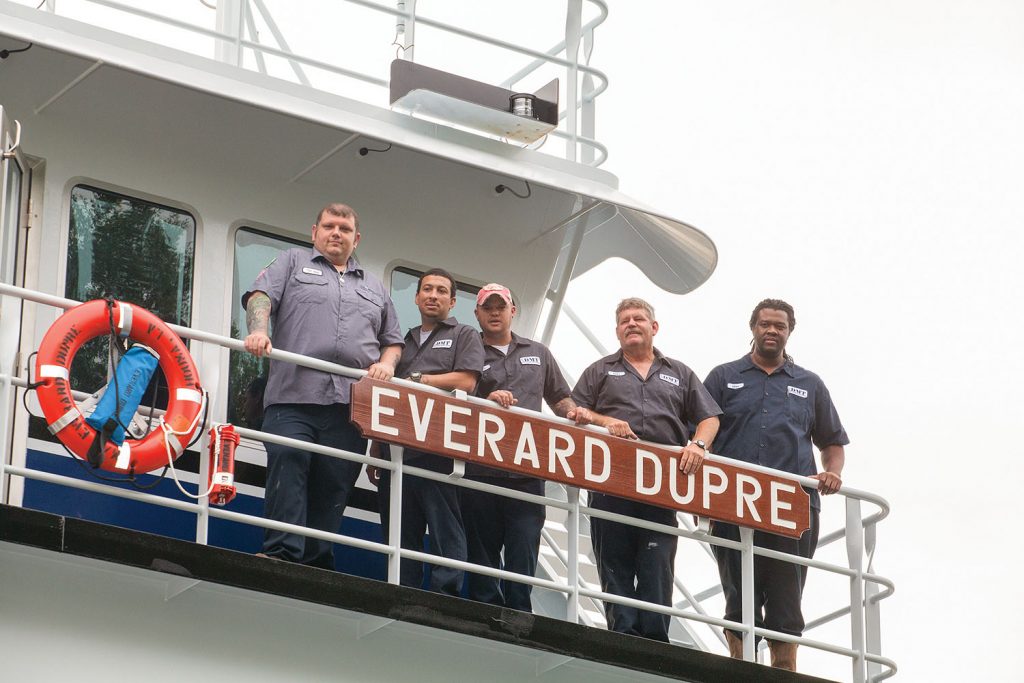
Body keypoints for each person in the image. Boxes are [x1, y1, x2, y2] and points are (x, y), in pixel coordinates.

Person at [243, 202, 403, 569]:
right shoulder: (291, 262)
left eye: (344, 229)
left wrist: (386, 364)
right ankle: (281, 553)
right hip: (293, 396)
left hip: (349, 406)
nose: (336, 233)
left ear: (356, 238)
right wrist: (258, 330)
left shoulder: (375, 288)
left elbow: (392, 340)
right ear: (314, 231)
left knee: (335, 479)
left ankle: (316, 562)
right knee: (289, 456)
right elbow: (260, 296)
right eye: (329, 226)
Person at [704, 298, 848, 671]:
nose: (772, 330)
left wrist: (832, 472)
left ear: (789, 332)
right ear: (753, 328)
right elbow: (699, 430)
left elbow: (832, 442)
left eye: (779, 326)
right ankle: (740, 666)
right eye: (765, 324)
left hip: (793, 504)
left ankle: (784, 671)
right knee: (737, 589)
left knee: (786, 595)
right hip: (731, 498)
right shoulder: (722, 377)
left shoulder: (809, 384)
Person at [567, 298, 721, 642]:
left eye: (639, 319)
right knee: (614, 560)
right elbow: (576, 412)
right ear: (617, 330)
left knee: (657, 563)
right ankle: (622, 634)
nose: (631, 324)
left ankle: (655, 639)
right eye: (624, 320)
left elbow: (709, 418)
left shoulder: (679, 373)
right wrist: (606, 421)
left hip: (662, 484)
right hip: (610, 480)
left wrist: (698, 446)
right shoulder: (599, 370)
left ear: (654, 327)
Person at [463, 283, 578, 612]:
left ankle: (517, 616)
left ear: (513, 311)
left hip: (527, 471)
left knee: (524, 546)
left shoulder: (538, 352)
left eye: (502, 306)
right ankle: (484, 614)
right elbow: (457, 393)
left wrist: (575, 413)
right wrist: (486, 398)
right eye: (488, 307)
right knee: (481, 552)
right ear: (478, 313)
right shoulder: (468, 352)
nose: (495, 312)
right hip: (479, 468)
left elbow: (559, 399)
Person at [378, 268, 484, 595]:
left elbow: (467, 381)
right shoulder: (403, 342)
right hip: (397, 450)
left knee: (444, 528)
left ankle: (445, 594)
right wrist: (375, 453)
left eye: (440, 291)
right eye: (426, 289)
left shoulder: (465, 334)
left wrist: (421, 380)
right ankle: (402, 588)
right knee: (399, 529)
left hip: (439, 449)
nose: (432, 295)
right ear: (416, 297)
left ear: (452, 302)